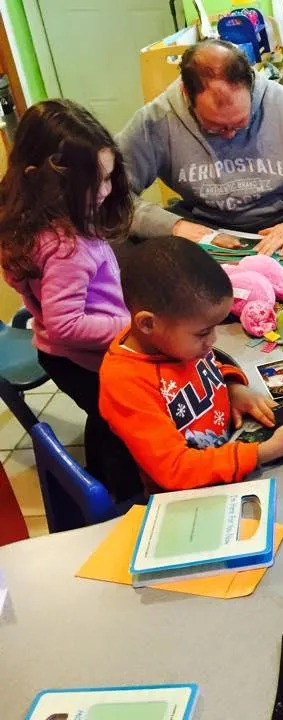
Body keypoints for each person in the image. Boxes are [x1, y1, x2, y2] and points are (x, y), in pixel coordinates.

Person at [117, 39, 283, 255]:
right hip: (207, 224)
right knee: (118, 244)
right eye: (216, 126)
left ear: (251, 83)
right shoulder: (155, 121)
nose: (230, 135)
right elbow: (104, 198)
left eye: (240, 123)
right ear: (187, 93)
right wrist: (174, 226)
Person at [0, 99, 141, 501]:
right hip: (81, 357)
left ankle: (105, 480)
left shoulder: (43, 227)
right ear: (47, 182)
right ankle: (122, 499)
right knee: (117, 421)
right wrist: (130, 326)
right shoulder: (66, 248)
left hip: (64, 352)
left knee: (104, 418)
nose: (106, 190)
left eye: (110, 176)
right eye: (95, 183)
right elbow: (65, 324)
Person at [99, 236, 283, 494]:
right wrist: (266, 451)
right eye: (203, 333)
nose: (213, 341)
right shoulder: (124, 382)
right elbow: (175, 469)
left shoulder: (172, 340)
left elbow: (204, 370)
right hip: (189, 495)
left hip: (228, 454)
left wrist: (232, 386)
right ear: (147, 324)